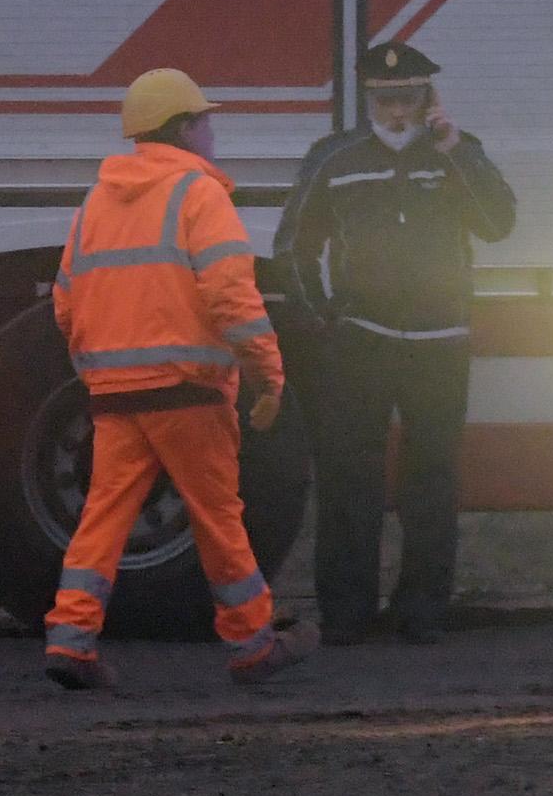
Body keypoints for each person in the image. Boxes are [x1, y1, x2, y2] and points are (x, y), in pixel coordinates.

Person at [43, 68, 317, 689]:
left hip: (115, 395)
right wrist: (268, 376)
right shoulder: (200, 196)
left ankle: (70, 639)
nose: (214, 131)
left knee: (102, 517)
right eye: (207, 119)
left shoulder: (97, 202)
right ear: (186, 127)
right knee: (218, 515)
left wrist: (101, 363)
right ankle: (252, 643)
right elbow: (231, 296)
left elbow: (65, 302)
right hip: (189, 391)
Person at [275, 42, 516, 645]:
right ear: (367, 98)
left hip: (442, 343)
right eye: (384, 98)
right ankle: (347, 614)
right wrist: (323, 319)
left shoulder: (459, 154)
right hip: (363, 343)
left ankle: (423, 612)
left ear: (427, 96)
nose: (395, 109)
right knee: (348, 481)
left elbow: (499, 224)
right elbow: (293, 248)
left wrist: (455, 149)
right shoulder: (333, 158)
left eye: (407, 95)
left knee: (432, 483)